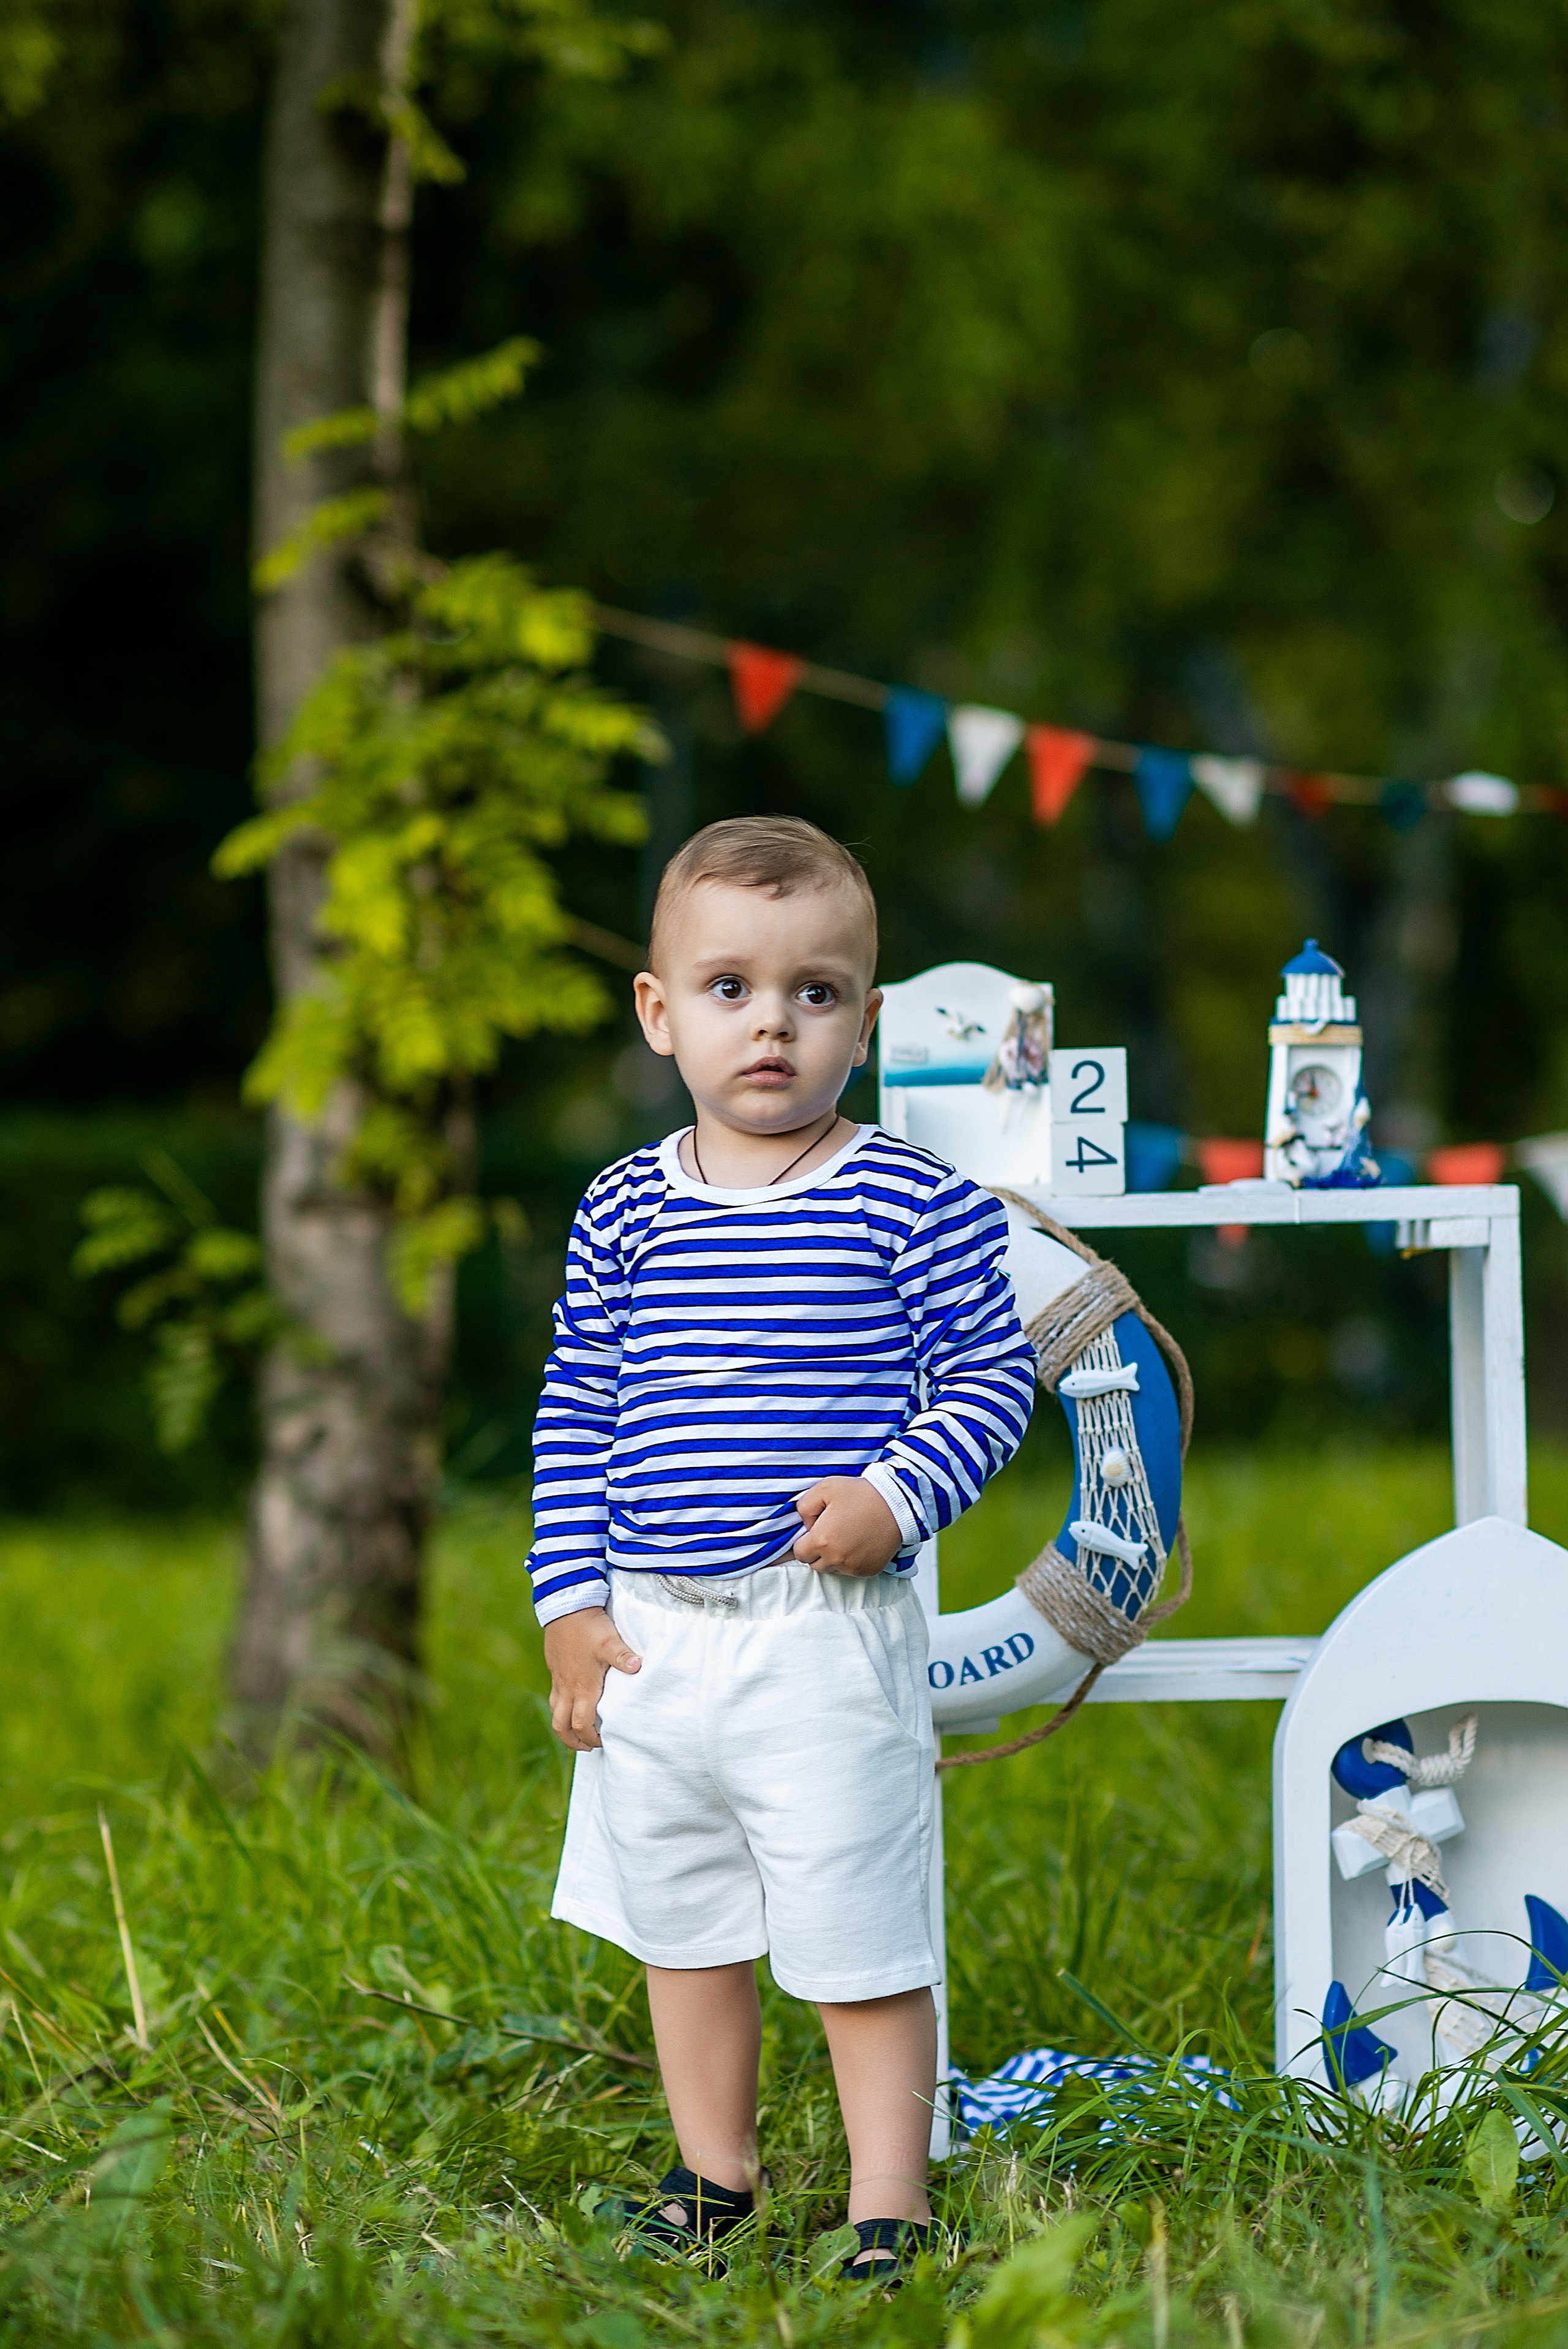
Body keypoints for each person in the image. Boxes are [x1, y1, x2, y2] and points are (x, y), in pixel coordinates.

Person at [529, 816, 1035, 2280]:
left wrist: (897, 1492)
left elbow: (990, 1377)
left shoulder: (909, 1199)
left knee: (857, 1925)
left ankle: (890, 2195)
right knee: (681, 1924)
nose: (771, 1023)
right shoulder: (623, 1207)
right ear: (658, 1011)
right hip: (653, 1631)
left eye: (814, 992)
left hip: (817, 1630)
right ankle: (714, 2170)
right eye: (729, 987)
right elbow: (576, 1407)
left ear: (861, 1023)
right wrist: (569, 1607)